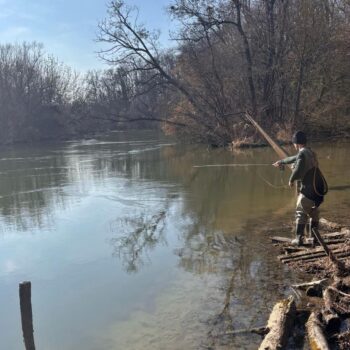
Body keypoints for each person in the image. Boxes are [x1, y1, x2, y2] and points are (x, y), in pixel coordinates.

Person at [273, 131, 326, 246]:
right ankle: (314, 238)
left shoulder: (302, 154)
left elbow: (298, 169)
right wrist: (281, 161)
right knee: (313, 212)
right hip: (318, 190)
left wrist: (291, 179)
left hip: (308, 190)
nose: (294, 145)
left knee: (300, 213)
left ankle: (298, 239)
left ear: (296, 144)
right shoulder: (310, 152)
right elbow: (294, 158)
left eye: (294, 143)